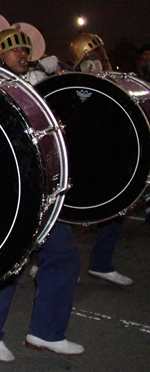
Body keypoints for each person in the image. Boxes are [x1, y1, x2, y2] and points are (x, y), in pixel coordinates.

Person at [0, 28, 83, 362]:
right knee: (9, 262)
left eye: (24, 49)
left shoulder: (38, 83)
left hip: (42, 187)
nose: (21, 53)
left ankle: (46, 332)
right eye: (12, 49)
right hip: (8, 188)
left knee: (64, 256)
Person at [68, 33, 133, 286]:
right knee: (66, 216)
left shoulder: (108, 78)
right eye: (96, 53)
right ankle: (52, 264)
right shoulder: (70, 81)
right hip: (78, 157)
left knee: (116, 205)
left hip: (99, 154)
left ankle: (101, 263)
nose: (104, 56)